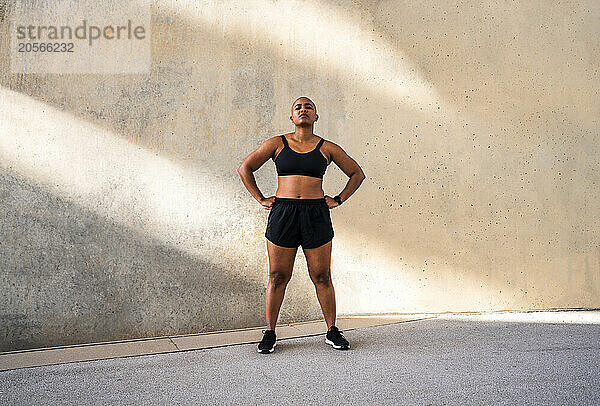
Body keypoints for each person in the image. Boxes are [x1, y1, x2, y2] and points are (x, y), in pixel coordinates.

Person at [237, 96, 366, 353]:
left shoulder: (327, 148)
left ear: (315, 117)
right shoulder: (277, 143)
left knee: (321, 276)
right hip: (283, 212)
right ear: (292, 117)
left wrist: (338, 199)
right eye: (298, 107)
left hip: (315, 213)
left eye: (309, 107)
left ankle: (331, 330)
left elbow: (357, 173)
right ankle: (270, 333)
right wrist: (261, 198)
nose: (303, 110)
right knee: (277, 276)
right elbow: (245, 168)